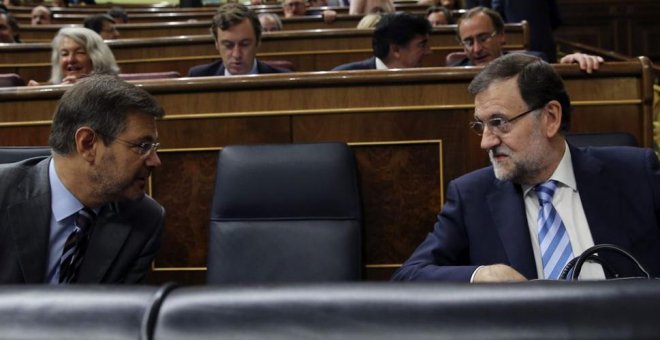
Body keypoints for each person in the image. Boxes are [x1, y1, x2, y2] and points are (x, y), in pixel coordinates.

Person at [392, 53, 660, 282]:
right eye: (480, 125)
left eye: (499, 122)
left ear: (550, 118)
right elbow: (409, 277)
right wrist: (480, 276)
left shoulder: (636, 174)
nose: (486, 141)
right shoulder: (471, 197)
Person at [0, 74, 166, 284]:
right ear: (88, 144)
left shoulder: (144, 219)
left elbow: (120, 313)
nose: (155, 161)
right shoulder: (3, 191)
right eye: (142, 146)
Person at [449, 7, 603, 73]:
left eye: (483, 38)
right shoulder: (452, 74)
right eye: (469, 42)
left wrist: (573, 63)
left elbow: (553, 77)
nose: (476, 49)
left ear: (501, 35)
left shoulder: (531, 63)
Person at [187, 3, 289, 77]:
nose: (236, 55)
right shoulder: (198, 76)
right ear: (217, 44)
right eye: (228, 45)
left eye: (244, 44)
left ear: (258, 42)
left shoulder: (283, 78)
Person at [332, 12, 431, 71]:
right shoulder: (343, 78)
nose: (428, 51)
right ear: (396, 50)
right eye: (422, 45)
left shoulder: (428, 80)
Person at [28, 27, 119, 86]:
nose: (71, 60)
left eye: (80, 52)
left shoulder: (114, 92)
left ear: (98, 57)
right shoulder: (50, 90)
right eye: (65, 54)